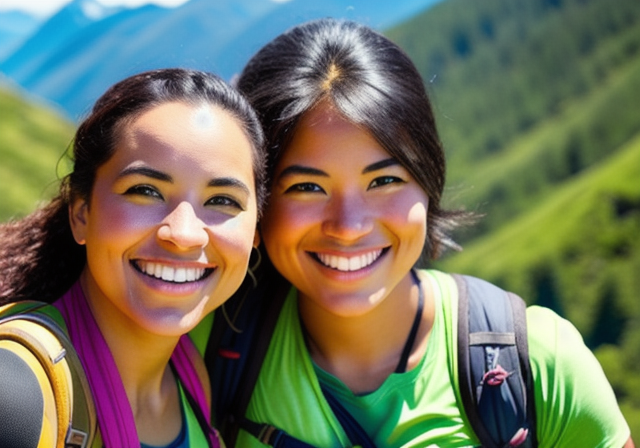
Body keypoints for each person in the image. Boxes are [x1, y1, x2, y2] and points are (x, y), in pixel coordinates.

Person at [207, 18, 634, 448]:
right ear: (258, 201)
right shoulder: (207, 350)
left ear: (428, 181)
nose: (349, 226)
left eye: (384, 181)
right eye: (306, 187)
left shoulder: (541, 366)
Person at [0, 68, 266, 448]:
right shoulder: (18, 392)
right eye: (145, 190)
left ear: (256, 231)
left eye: (222, 200)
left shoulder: (190, 377)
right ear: (81, 213)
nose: (184, 234)